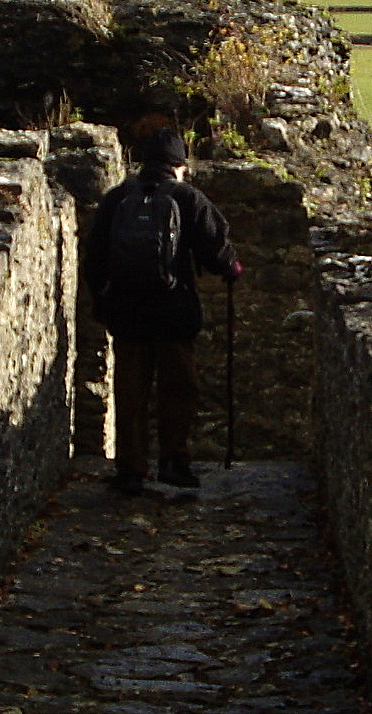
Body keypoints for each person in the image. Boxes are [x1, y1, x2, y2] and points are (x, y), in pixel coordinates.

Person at [84, 127, 241, 495]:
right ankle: (174, 461)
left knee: (130, 389)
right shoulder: (188, 198)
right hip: (174, 311)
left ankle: (130, 469)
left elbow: (95, 259)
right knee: (178, 388)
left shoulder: (117, 198)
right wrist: (232, 269)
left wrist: (103, 302)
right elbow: (217, 248)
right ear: (179, 165)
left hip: (127, 313)